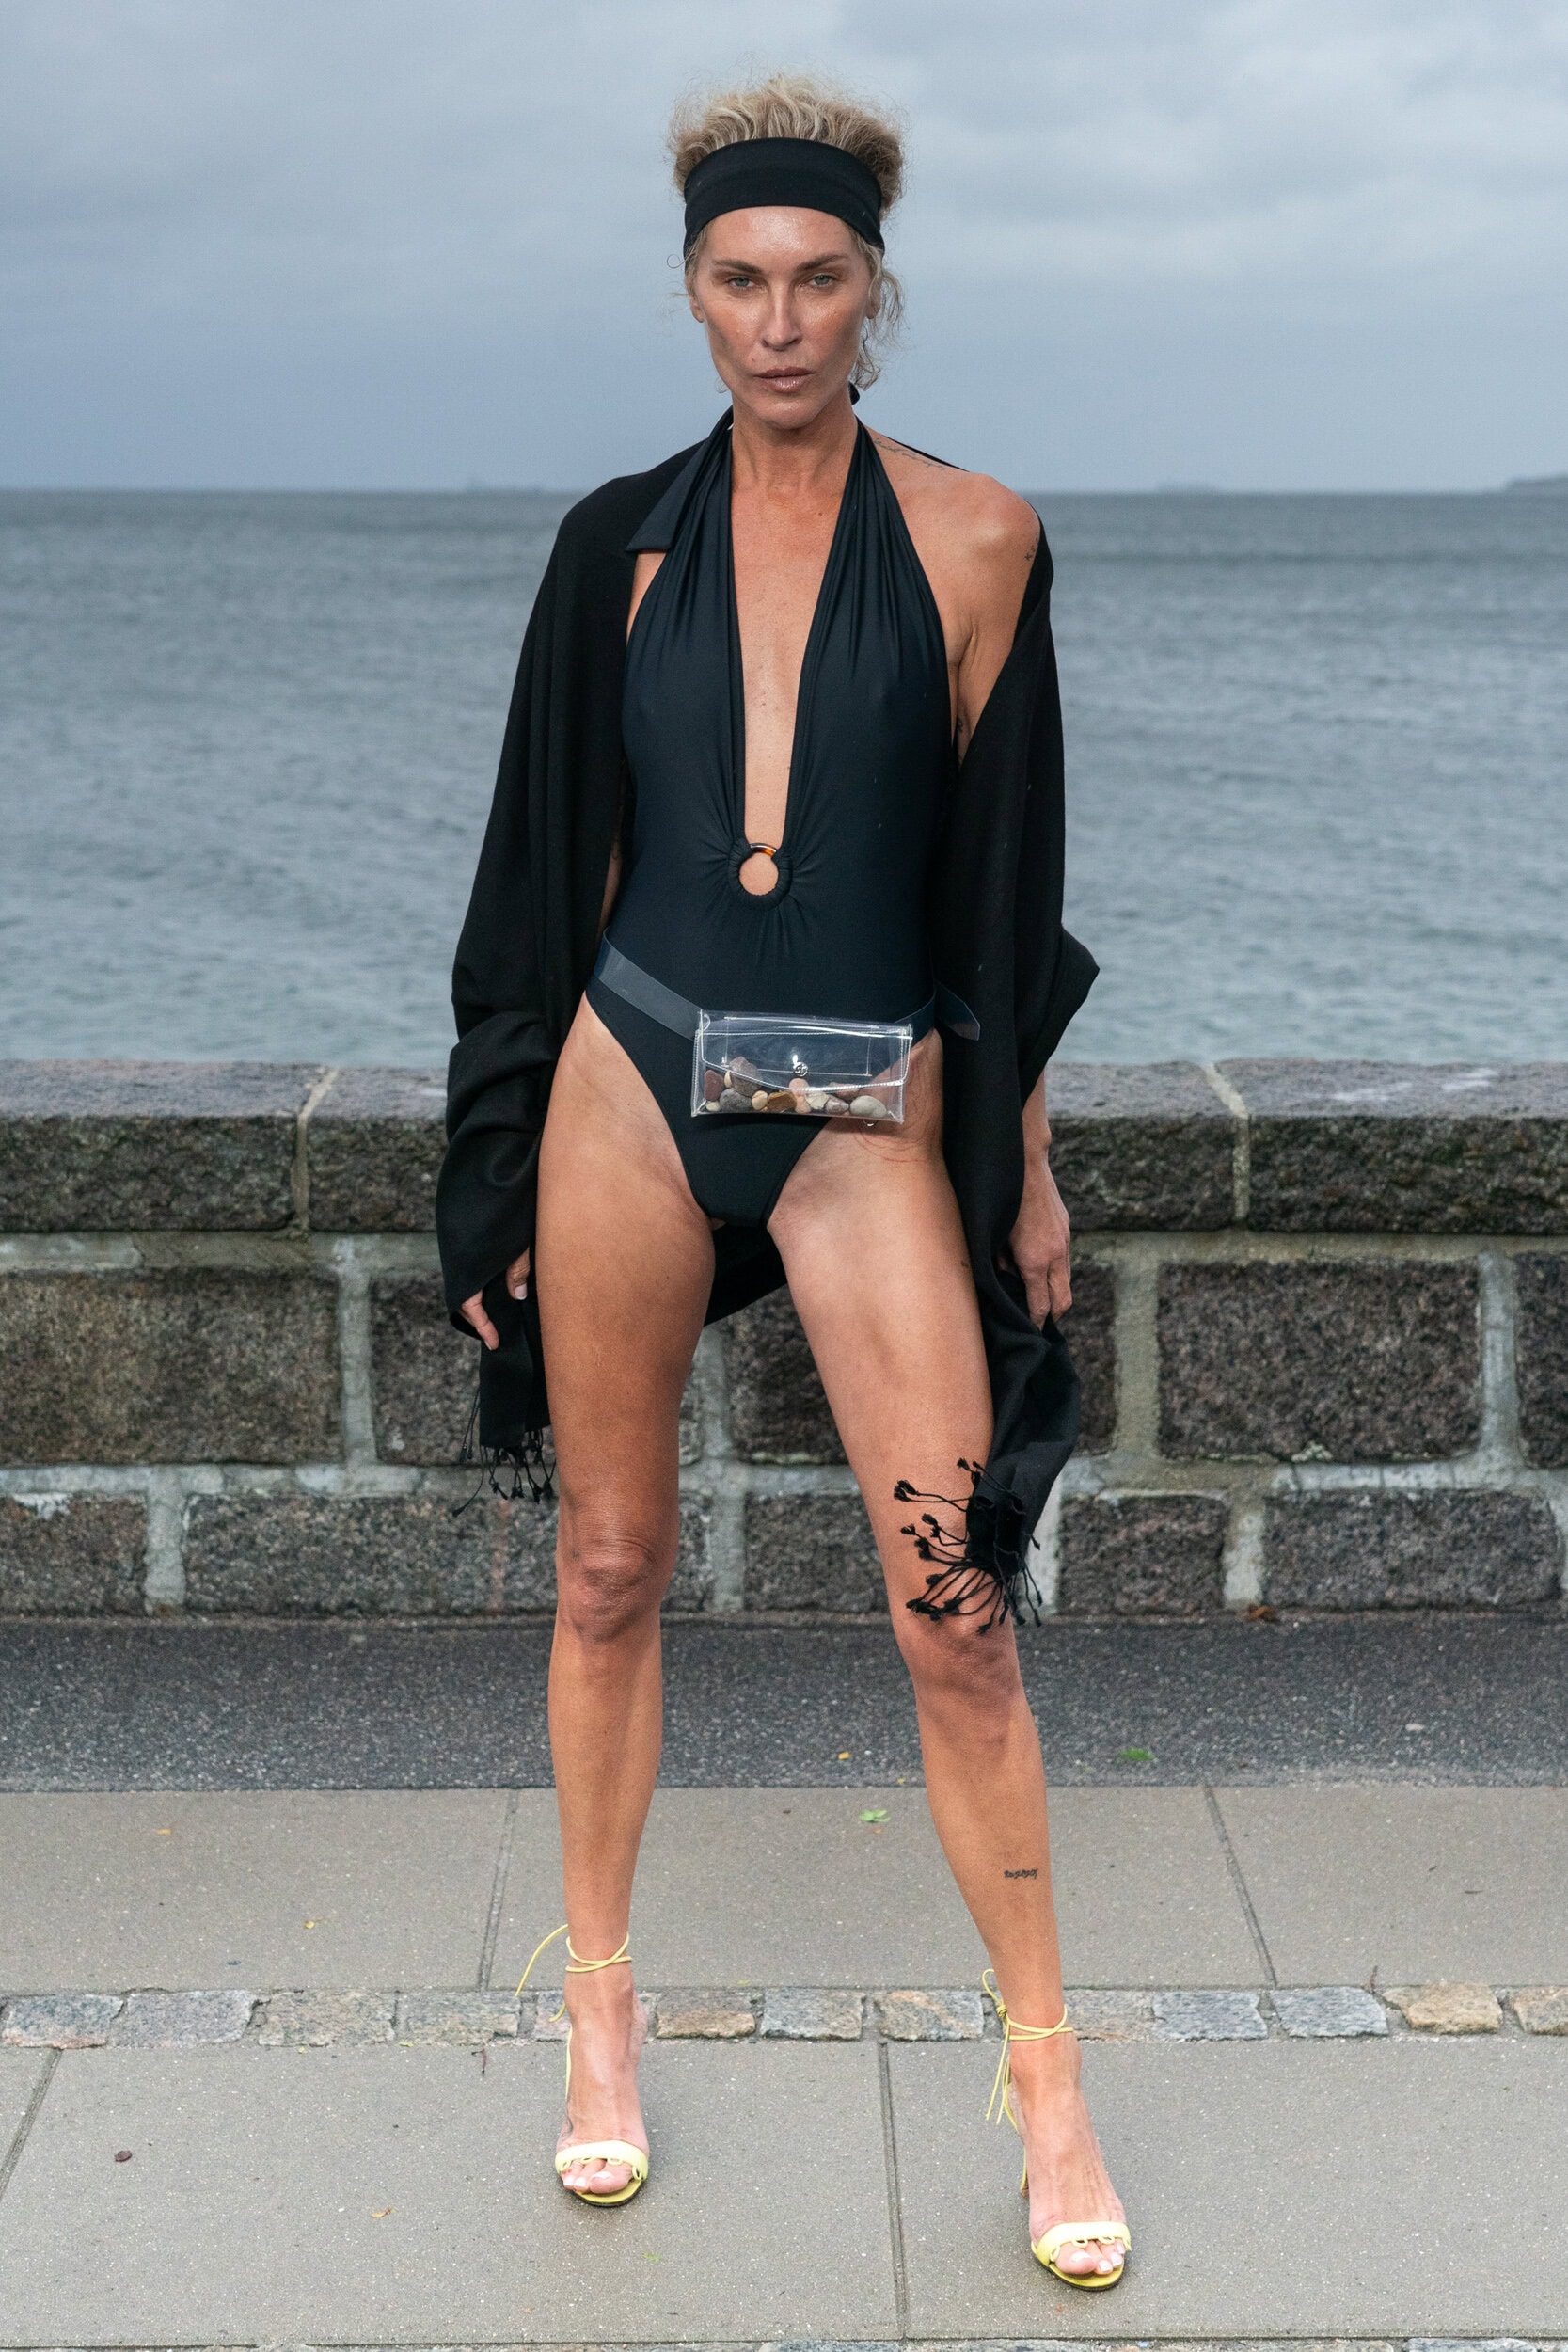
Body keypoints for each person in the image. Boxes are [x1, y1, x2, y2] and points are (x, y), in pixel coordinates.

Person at [436, 74, 1127, 2289]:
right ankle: (599, 2010)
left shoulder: (982, 539)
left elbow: (1000, 899)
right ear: (691, 291)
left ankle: (1048, 2075)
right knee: (607, 1567)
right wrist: (490, 1175)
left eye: (820, 278)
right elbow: (542, 873)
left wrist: (1020, 1162)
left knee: (956, 1606)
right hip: (632, 1082)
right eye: (740, 278)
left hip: (863, 1117)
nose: (779, 318)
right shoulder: (613, 548)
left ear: (873, 291)